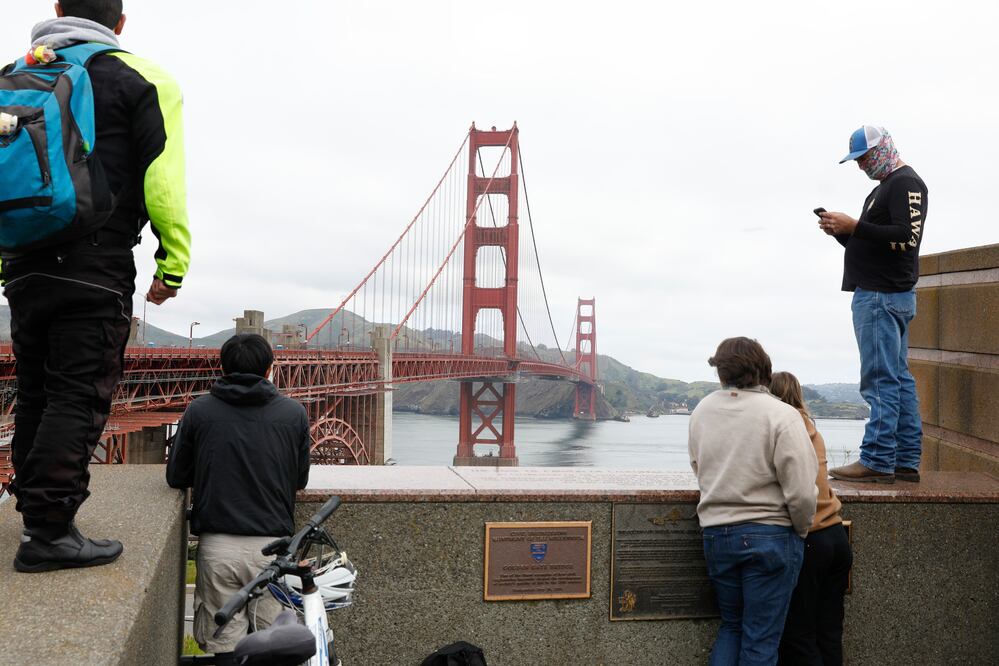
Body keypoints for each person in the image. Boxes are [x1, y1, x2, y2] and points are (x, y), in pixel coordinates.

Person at [4, 0, 191, 572]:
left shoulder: (15, 74)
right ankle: (50, 532)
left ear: (57, 10)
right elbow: (163, 179)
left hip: (24, 266)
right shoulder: (145, 77)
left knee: (36, 390)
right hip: (95, 262)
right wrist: (173, 262)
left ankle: (34, 509)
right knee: (79, 394)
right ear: (120, 22)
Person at [166, 334, 312, 663]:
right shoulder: (294, 413)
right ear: (270, 369)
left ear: (223, 368)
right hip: (273, 550)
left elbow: (176, 476)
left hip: (218, 547)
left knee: (225, 647)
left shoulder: (199, 410)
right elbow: (299, 479)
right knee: (276, 648)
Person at [689, 337, 818, 666]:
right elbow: (801, 490)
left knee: (731, 627)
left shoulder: (702, 410)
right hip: (770, 536)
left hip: (717, 534)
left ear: (721, 372)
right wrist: (800, 531)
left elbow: (698, 467)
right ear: (764, 369)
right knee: (760, 640)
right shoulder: (782, 415)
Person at [818, 126, 927, 484]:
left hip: (881, 296)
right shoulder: (884, 189)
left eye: (864, 157)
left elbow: (905, 238)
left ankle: (878, 459)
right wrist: (844, 232)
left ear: (883, 149)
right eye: (857, 160)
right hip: (885, 293)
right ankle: (905, 461)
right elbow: (873, 244)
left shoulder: (905, 184)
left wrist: (855, 225)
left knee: (880, 380)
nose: (861, 165)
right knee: (898, 379)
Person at [770, 372, 853, 666]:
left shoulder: (781, 430)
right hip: (836, 535)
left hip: (811, 539)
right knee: (829, 632)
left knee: (798, 635)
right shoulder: (811, 428)